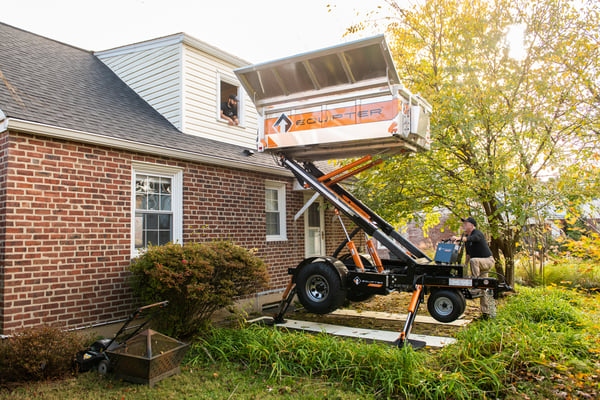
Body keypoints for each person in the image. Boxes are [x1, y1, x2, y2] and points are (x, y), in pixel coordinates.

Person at [452, 216, 495, 319]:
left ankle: (475, 283)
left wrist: (458, 238)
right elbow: (468, 255)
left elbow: (472, 238)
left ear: (472, 225)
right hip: (479, 264)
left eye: (466, 223)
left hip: (487, 261)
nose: (464, 225)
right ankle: (486, 313)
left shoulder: (477, 233)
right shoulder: (467, 238)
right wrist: (465, 267)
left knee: (474, 261)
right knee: (483, 287)